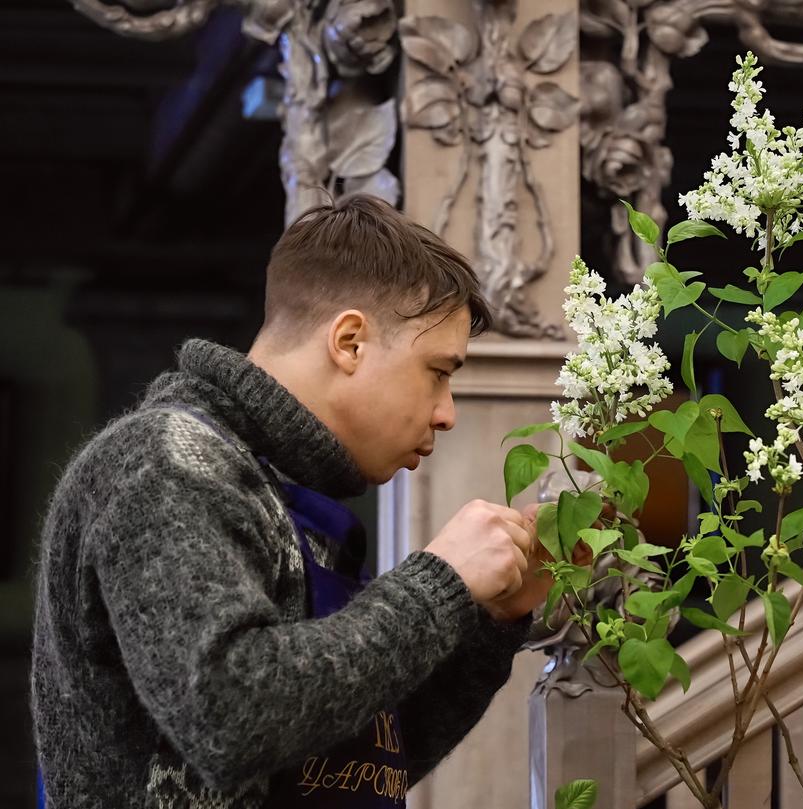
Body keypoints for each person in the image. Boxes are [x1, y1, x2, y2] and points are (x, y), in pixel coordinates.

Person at [31, 194, 571, 807]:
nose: (446, 413)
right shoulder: (163, 460)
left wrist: (488, 623)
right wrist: (440, 582)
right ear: (349, 342)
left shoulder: (286, 489)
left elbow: (350, 760)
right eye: (438, 372)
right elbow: (229, 717)